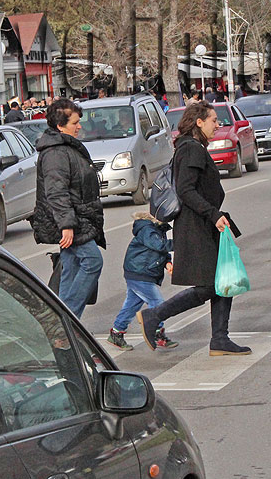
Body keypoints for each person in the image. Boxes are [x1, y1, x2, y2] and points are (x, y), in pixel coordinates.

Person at [137, 101, 251, 355]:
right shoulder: (191, 149)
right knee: (210, 285)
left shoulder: (193, 147)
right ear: (199, 122)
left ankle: (220, 339)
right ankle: (154, 315)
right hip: (196, 226)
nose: (218, 125)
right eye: (214, 120)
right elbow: (186, 190)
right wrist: (213, 214)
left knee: (223, 281)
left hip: (205, 224)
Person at [32, 98, 105, 317]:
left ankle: (63, 326)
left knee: (70, 268)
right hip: (72, 220)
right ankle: (68, 320)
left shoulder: (66, 147)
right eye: (74, 122)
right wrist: (67, 225)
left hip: (77, 218)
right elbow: (56, 192)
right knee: (92, 261)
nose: (79, 126)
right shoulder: (56, 153)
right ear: (60, 125)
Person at [107, 212, 178, 351]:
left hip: (139, 273)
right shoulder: (147, 229)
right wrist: (182, 242)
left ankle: (116, 332)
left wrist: (167, 262)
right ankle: (157, 333)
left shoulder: (157, 230)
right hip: (139, 273)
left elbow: (160, 251)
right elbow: (160, 246)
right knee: (157, 303)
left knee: (131, 305)